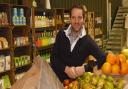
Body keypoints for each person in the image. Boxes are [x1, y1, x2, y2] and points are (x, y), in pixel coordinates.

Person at [50, 4, 106, 82]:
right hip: (55, 81)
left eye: (79, 17)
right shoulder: (61, 34)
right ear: (70, 19)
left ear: (83, 19)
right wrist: (66, 69)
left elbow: (103, 58)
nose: (76, 21)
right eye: (73, 17)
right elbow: (53, 58)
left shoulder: (87, 41)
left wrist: (85, 68)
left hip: (74, 84)